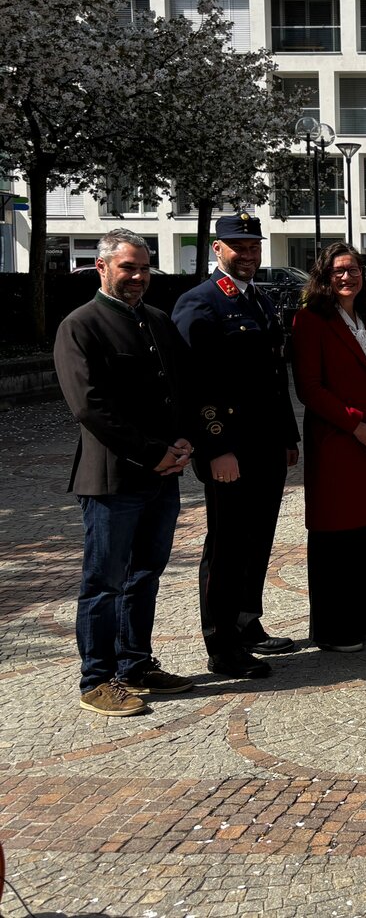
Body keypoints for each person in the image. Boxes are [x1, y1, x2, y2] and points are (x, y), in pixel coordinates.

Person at [55, 228, 195, 716]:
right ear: (102, 267)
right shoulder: (81, 326)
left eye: (144, 267)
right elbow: (91, 408)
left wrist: (183, 441)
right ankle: (97, 678)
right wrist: (152, 451)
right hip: (113, 480)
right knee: (103, 583)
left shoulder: (157, 321)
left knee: (146, 577)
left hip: (162, 476)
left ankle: (136, 664)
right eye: (128, 267)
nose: (138, 276)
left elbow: (179, 389)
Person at [172, 212, 300, 681]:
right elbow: (196, 386)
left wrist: (288, 435)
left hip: (266, 445)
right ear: (217, 250)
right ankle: (221, 644)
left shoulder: (261, 301)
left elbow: (273, 377)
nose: (247, 254)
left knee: (258, 538)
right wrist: (215, 448)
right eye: (237, 246)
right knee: (226, 545)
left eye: (253, 246)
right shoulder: (199, 303)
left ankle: (248, 622)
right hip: (229, 449)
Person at [291, 243, 366, 652]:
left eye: (353, 269)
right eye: (338, 270)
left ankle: (361, 616)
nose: (346, 277)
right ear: (324, 275)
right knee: (336, 535)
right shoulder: (310, 320)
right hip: (338, 442)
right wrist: (357, 426)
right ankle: (332, 627)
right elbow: (310, 388)